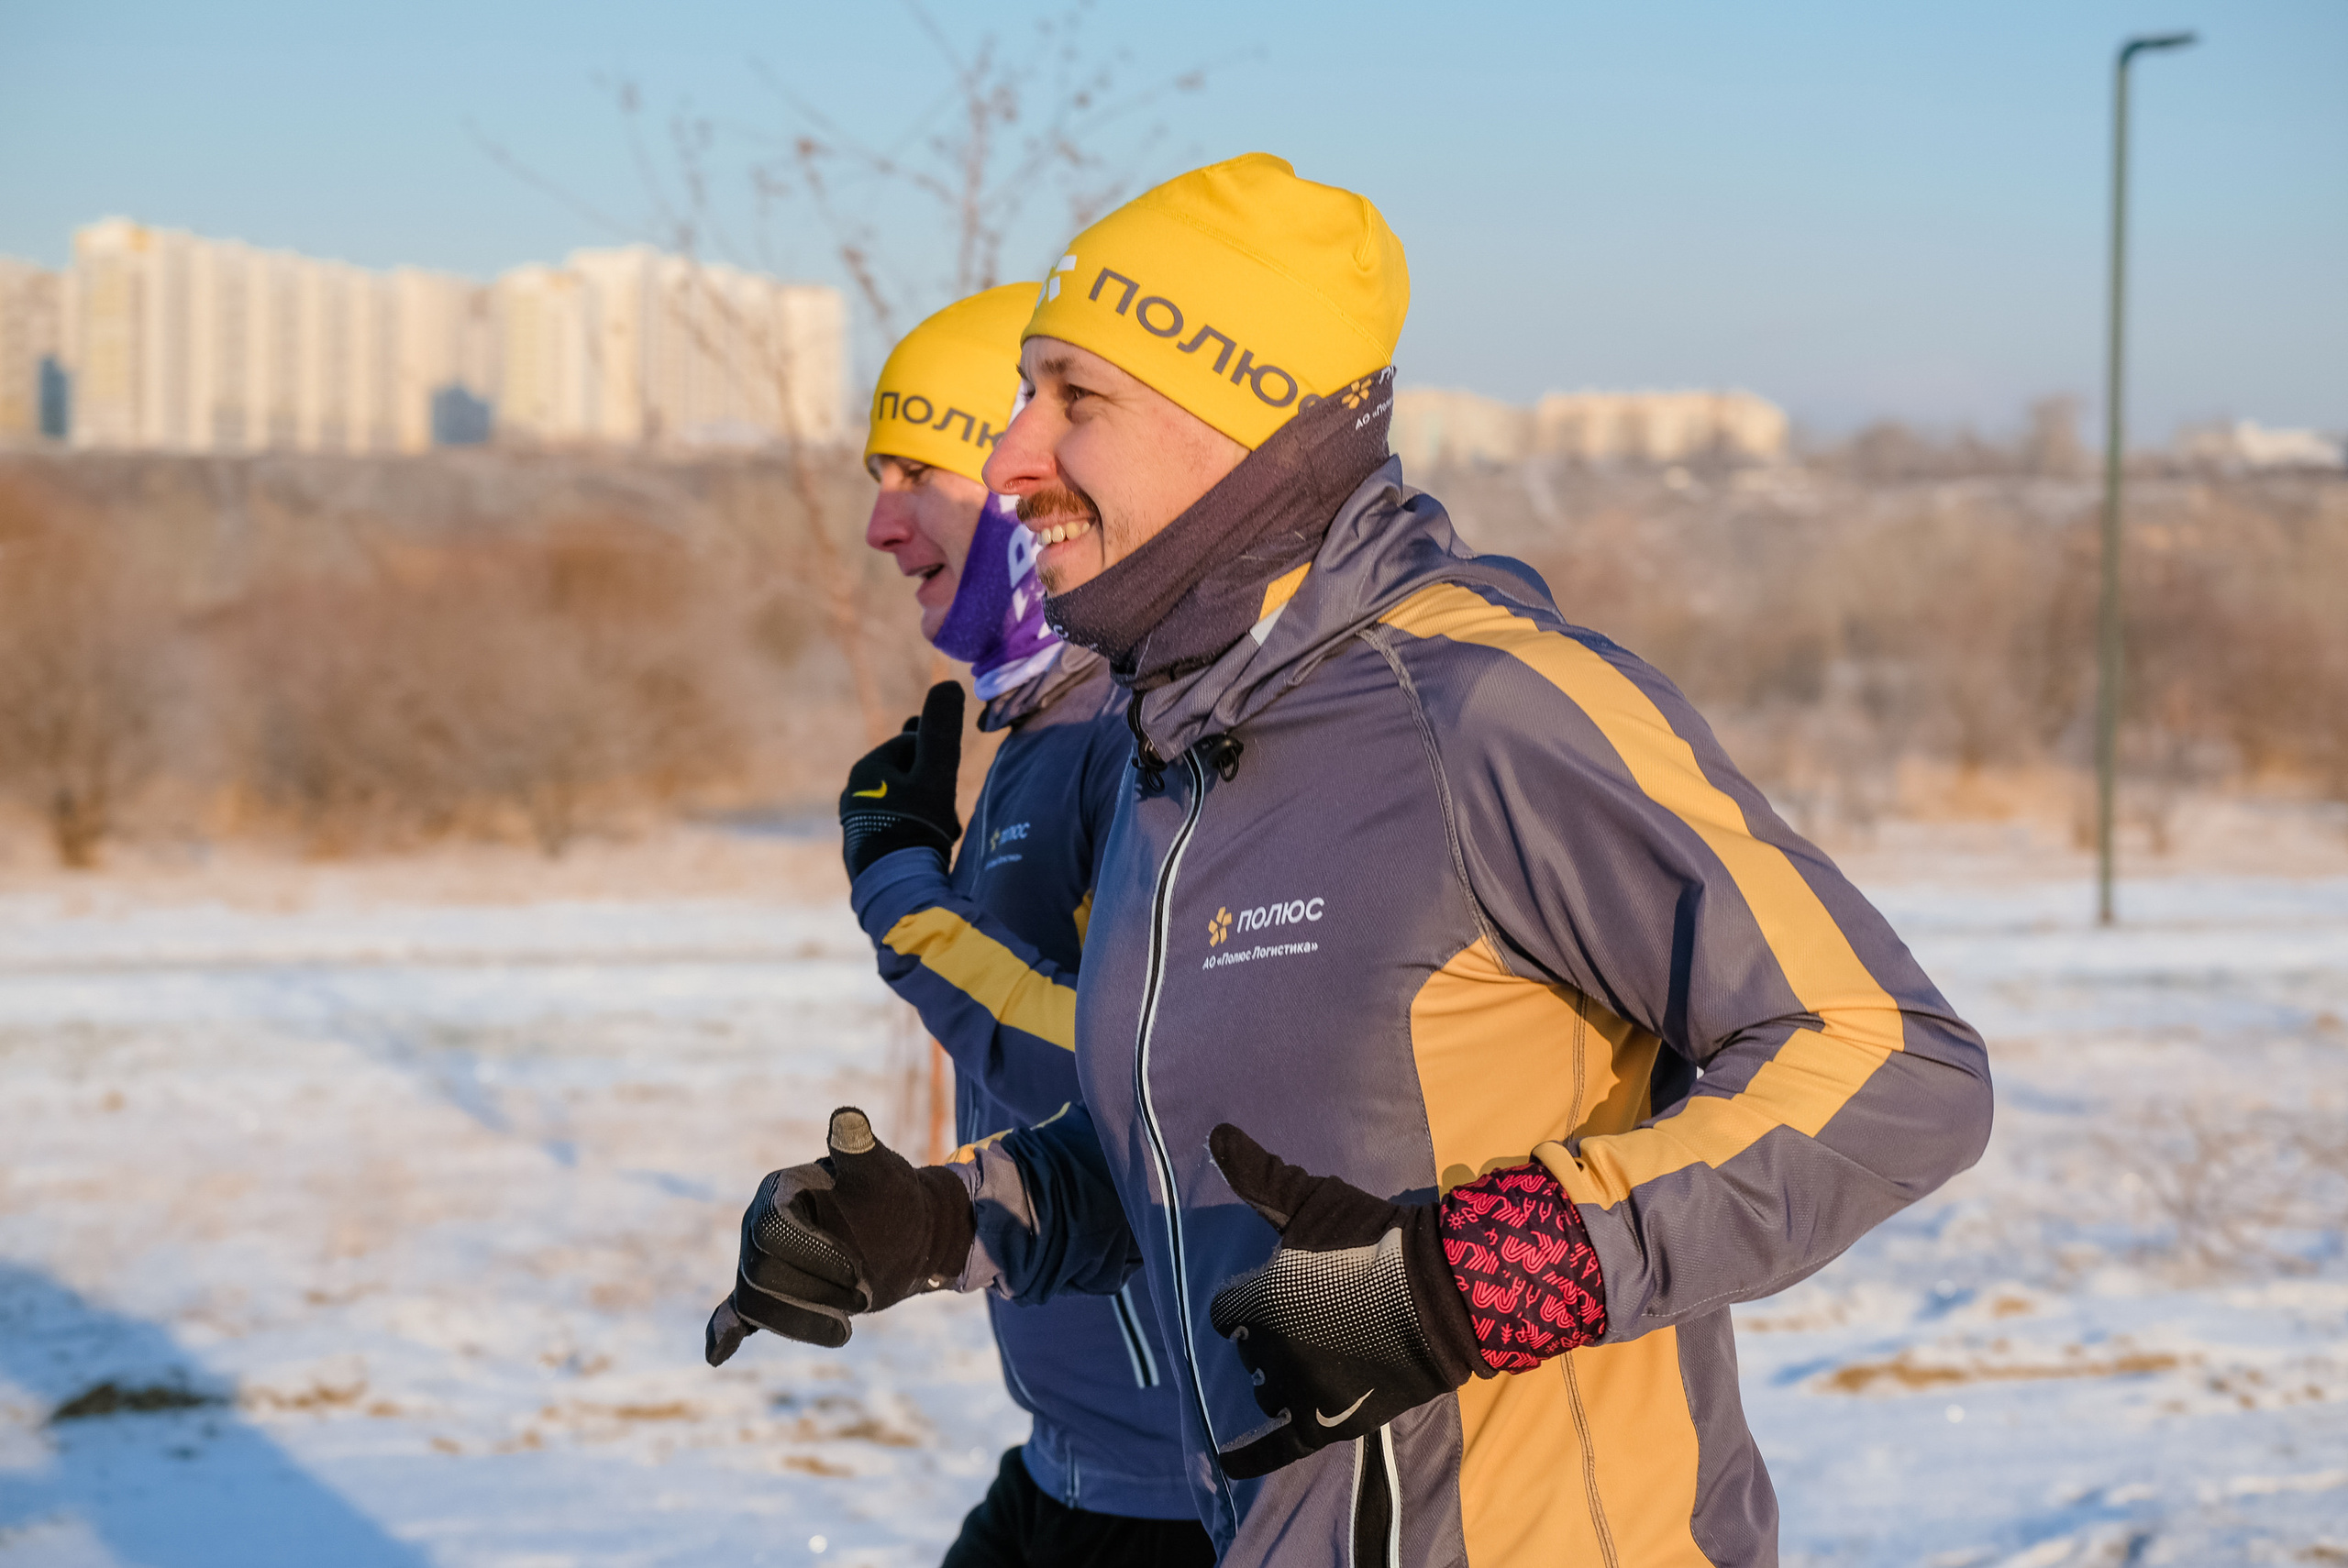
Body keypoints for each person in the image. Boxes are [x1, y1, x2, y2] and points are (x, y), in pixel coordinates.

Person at [714, 156, 1995, 1567]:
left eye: (1075, 399)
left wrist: (1467, 1281)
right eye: (1026, 396)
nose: (1014, 454)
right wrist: (949, 1216)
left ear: (1249, 421)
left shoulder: (1481, 707)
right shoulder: (1177, 754)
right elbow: (1213, 1159)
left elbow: (1896, 1064)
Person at [704, 285, 1212, 1567]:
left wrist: (903, 899)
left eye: (915, 471)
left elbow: (1117, 1076)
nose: (878, 523)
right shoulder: (1046, 727)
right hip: (1073, 1459)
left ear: (1022, 476)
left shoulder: (1135, 733)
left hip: (1185, 1498)